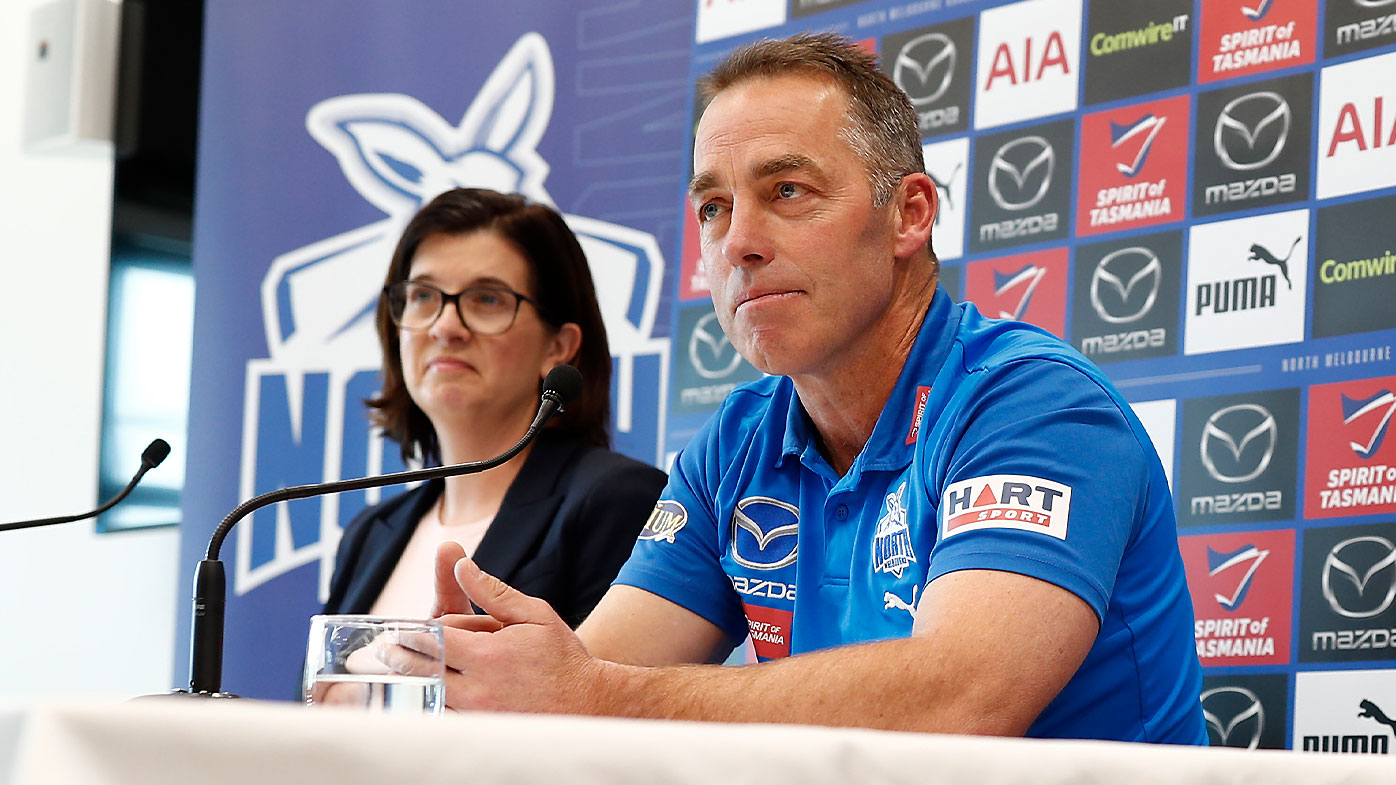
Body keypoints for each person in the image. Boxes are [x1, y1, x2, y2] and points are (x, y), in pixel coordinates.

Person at [388, 35, 1205, 743]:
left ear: (908, 214)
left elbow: (961, 699)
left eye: (786, 191)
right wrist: (499, 677)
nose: (738, 242)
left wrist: (595, 694)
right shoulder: (732, 448)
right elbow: (594, 671)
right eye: (713, 207)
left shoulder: (1037, 406)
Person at [323, 188, 666, 628]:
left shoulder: (615, 501)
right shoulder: (370, 533)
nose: (445, 327)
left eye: (487, 299)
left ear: (558, 348)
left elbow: (600, 691)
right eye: (423, 296)